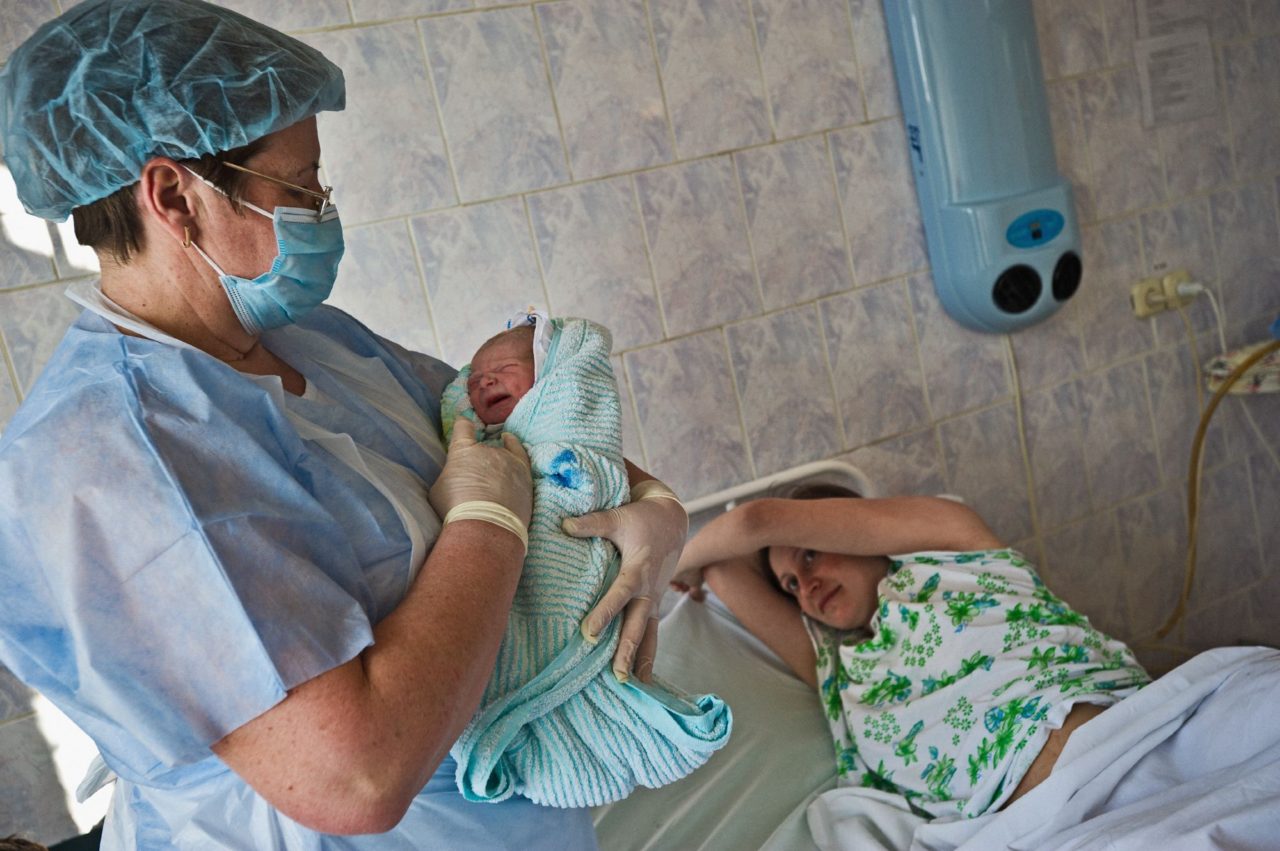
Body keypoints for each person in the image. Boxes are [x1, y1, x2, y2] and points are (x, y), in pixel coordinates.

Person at [0, 1, 687, 848]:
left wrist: (654, 505)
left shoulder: (314, 343)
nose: (322, 207)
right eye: (299, 186)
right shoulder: (110, 456)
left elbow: (520, 431)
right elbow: (358, 776)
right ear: (174, 195)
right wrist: (488, 524)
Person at [670, 485, 1149, 820]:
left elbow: (755, 522)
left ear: (851, 526)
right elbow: (722, 570)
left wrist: (666, 563)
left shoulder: (955, 548)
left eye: (810, 554)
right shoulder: (839, 671)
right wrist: (696, 566)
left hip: (1129, 755)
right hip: (1040, 832)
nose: (807, 587)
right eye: (791, 585)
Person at [440, 313, 729, 808]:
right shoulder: (469, 441)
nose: (484, 382)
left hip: (568, 576)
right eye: (474, 380)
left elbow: (591, 460)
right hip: (469, 671)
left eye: (503, 369)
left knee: (603, 666)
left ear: (555, 377)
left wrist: (661, 505)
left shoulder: (557, 427)